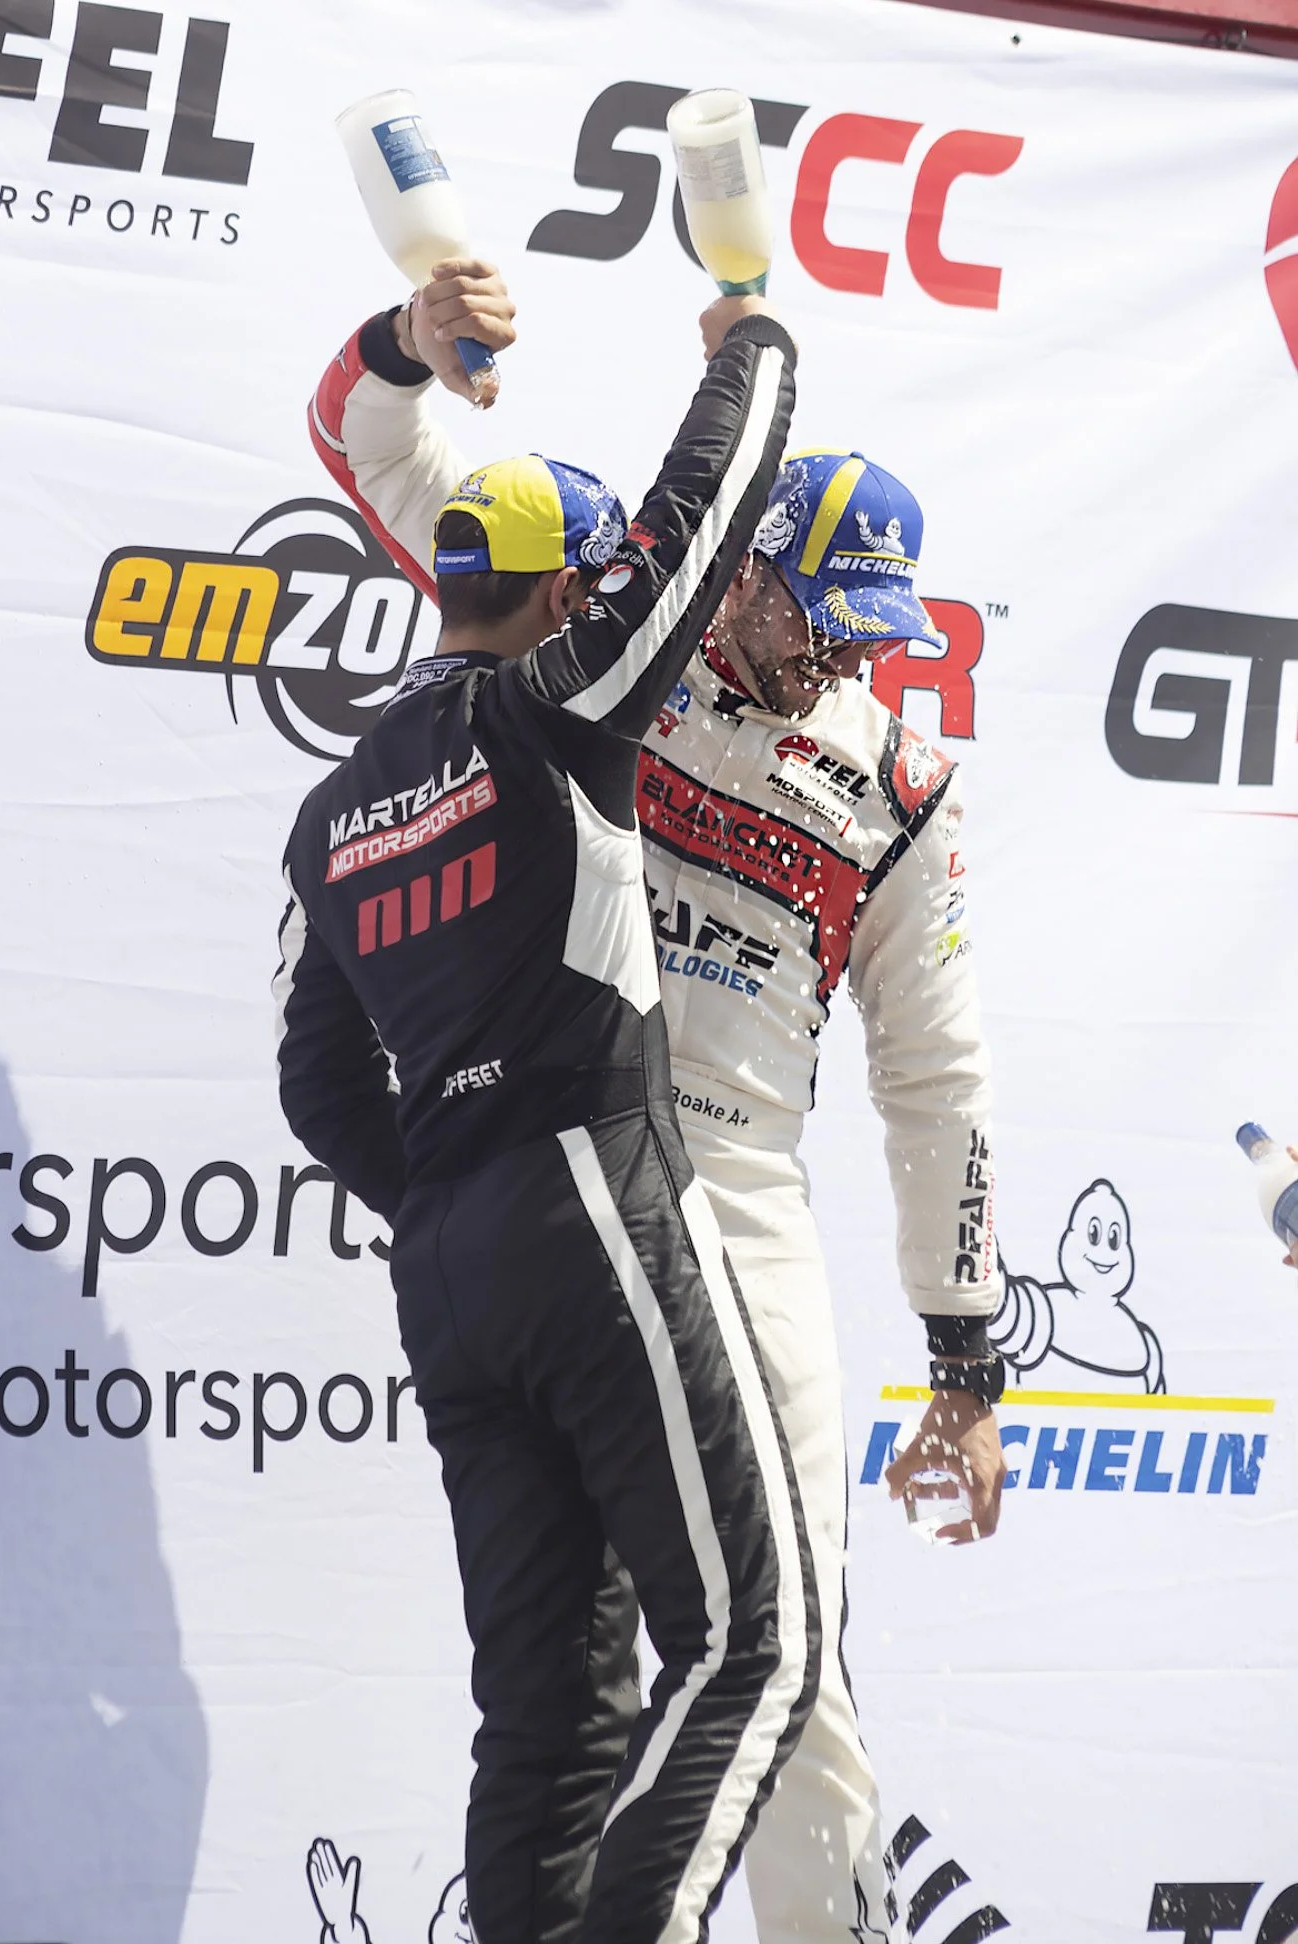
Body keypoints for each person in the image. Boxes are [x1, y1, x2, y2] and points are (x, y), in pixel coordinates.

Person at [308, 262, 1010, 1944]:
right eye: (813, 609)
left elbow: (937, 1073)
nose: (835, 650)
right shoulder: (616, 635)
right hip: (573, 1147)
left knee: (792, 1651)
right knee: (570, 1669)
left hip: (743, 1188)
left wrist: (968, 1355)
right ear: (747, 563)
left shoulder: (899, 785)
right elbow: (382, 461)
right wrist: (411, 342)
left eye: (870, 627)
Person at [277, 293, 818, 1944]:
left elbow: (315, 1091)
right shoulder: (555, 712)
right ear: (580, 595)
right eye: (606, 585)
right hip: (595, 1192)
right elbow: (701, 509)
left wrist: (455, 1180)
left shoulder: (330, 807)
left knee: (554, 1723)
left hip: (447, 1265)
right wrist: (758, 348)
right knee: (754, 1646)